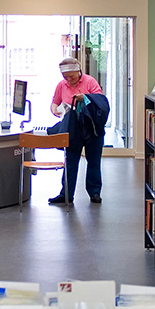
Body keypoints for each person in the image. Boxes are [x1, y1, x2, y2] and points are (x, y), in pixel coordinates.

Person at [49, 57, 105, 204]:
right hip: (73, 128)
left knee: (93, 161)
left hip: (91, 127)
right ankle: (66, 194)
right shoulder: (61, 85)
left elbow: (100, 102)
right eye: (65, 77)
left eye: (72, 76)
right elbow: (55, 102)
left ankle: (94, 192)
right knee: (70, 161)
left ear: (79, 71)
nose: (69, 80)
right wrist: (55, 110)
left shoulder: (90, 82)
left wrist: (85, 98)